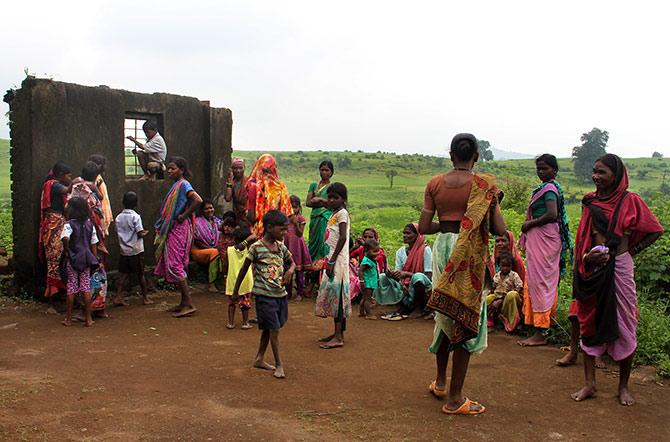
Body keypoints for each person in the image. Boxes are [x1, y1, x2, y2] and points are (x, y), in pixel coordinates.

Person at [419, 133, 506, 415]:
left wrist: (446, 226)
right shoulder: (484, 186)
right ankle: (455, 399)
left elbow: (423, 226)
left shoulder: (434, 184)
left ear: (451, 154)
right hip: (469, 252)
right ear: (476, 156)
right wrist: (494, 203)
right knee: (467, 315)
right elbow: (499, 230)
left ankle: (441, 383)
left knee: (446, 314)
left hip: (444, 247)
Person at [571, 154, 662, 406]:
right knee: (588, 320)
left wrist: (630, 251)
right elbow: (583, 237)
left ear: (617, 175)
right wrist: (587, 258)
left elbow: (655, 229)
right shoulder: (589, 201)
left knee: (625, 322)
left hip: (620, 267)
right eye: (594, 171)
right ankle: (589, 384)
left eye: (602, 172)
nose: (596, 177)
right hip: (592, 267)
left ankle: (623, 387)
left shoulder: (630, 200)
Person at [231, 210, 296, 379]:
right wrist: (236, 292)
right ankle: (279, 364)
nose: (284, 233)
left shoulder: (281, 247)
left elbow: (293, 263)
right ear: (269, 228)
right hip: (264, 296)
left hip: (280, 294)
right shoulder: (256, 248)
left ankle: (259, 358)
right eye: (281, 229)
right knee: (273, 329)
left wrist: (290, 271)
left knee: (270, 327)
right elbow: (243, 270)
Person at [518, 154, 572, 347]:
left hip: (545, 238)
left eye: (545, 168)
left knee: (540, 283)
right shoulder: (547, 188)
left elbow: (552, 214)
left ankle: (540, 332)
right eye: (539, 169)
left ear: (554, 170)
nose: (541, 172)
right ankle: (539, 327)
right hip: (544, 239)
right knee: (538, 281)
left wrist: (529, 224)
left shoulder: (549, 189)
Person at [154, 157, 203, 318]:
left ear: (181, 170)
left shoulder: (184, 184)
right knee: (178, 263)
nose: (169, 171)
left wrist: (183, 215)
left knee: (175, 264)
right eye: (168, 168)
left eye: (172, 168)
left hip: (179, 228)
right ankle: (183, 302)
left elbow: (197, 200)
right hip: (177, 227)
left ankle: (188, 303)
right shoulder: (178, 185)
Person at [315, 183, 351, 349]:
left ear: (343, 199)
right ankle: (338, 333)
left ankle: (338, 336)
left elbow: (343, 238)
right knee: (335, 298)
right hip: (333, 259)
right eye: (329, 197)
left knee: (337, 300)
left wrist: (332, 260)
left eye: (335, 197)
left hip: (338, 262)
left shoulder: (342, 214)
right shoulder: (334, 214)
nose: (331, 200)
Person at [377, 223, 433, 319]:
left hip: (421, 286)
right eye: (404, 233)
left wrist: (407, 274)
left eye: (408, 233)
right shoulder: (400, 252)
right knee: (382, 277)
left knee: (418, 277)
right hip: (404, 285)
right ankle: (399, 305)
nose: (405, 236)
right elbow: (399, 274)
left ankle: (419, 308)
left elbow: (428, 275)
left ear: (417, 235)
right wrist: (391, 274)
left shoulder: (425, 250)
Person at [39, 162, 73, 313]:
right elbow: (67, 189)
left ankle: (62, 297)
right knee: (54, 261)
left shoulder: (50, 184)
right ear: (60, 175)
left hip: (56, 223)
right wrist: (77, 182)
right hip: (54, 226)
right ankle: (51, 303)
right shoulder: (55, 185)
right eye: (68, 175)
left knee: (61, 261)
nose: (69, 178)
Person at [61, 197, 99, 327]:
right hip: (87, 258)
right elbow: (94, 243)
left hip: (73, 258)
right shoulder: (90, 225)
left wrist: (67, 250)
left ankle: (68, 319)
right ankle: (88, 318)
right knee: (85, 287)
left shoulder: (68, 225)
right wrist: (94, 259)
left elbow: (65, 238)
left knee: (72, 287)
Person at [113, 191, 151, 306]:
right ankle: (145, 298)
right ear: (136, 204)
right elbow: (139, 233)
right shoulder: (136, 217)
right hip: (136, 250)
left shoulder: (118, 217)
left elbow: (117, 232)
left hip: (124, 251)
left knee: (123, 274)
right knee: (140, 274)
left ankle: (118, 296)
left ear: (123, 202)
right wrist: (146, 233)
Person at [486, 231, 526, 332]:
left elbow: (521, 288)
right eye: (497, 241)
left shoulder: (516, 261)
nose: (500, 244)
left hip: (513, 299)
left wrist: (501, 299)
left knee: (511, 295)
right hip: (498, 295)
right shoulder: (494, 260)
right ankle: (490, 320)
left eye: (503, 240)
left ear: (510, 242)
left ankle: (513, 323)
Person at [245, 154, 293, 235]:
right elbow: (287, 213)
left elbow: (251, 216)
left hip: (259, 232)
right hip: (277, 231)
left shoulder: (253, 186)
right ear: (274, 168)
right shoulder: (280, 186)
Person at [306, 161, 334, 292]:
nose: (324, 172)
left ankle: (316, 281)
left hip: (325, 219)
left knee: (322, 248)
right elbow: (308, 202)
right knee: (312, 247)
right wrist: (321, 203)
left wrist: (320, 201)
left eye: (327, 170)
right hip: (315, 219)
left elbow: (332, 205)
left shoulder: (332, 187)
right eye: (322, 170)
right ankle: (310, 279)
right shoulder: (313, 185)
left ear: (332, 172)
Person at [224, 226, 254, 330]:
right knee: (245, 303)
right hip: (246, 281)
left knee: (232, 303)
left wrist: (225, 276)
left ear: (234, 239)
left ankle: (231, 323)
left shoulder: (229, 250)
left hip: (232, 280)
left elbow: (225, 265)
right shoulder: (250, 250)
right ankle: (245, 323)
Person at [284, 195, 312, 300]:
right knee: (287, 270)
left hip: (297, 248)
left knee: (299, 272)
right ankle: (288, 293)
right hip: (287, 246)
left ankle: (300, 293)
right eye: (291, 207)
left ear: (299, 207)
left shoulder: (300, 218)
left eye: (295, 207)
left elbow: (300, 234)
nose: (293, 210)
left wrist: (295, 223)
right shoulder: (285, 218)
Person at [192, 199, 223, 288]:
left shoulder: (217, 221)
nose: (209, 210)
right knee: (215, 253)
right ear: (202, 211)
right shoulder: (197, 222)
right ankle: (211, 283)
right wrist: (213, 248)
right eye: (206, 209)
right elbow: (197, 242)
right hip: (199, 250)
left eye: (211, 208)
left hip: (214, 249)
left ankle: (222, 281)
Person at [88, 154, 113, 236]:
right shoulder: (96, 179)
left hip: (102, 210)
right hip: (98, 211)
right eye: (103, 164)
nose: (105, 167)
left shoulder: (98, 177)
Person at [358, 239, 380, 319]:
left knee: (364, 297)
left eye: (378, 251)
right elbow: (360, 271)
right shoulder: (366, 260)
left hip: (369, 282)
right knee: (368, 298)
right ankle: (369, 314)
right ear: (367, 251)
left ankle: (361, 312)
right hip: (367, 283)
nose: (377, 253)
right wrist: (362, 281)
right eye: (374, 251)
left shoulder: (370, 259)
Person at [224, 157, 249, 225]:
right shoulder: (231, 182)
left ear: (244, 168)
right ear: (231, 169)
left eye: (240, 168)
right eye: (235, 168)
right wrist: (229, 182)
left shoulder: (248, 181)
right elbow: (228, 198)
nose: (238, 171)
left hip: (247, 215)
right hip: (237, 215)